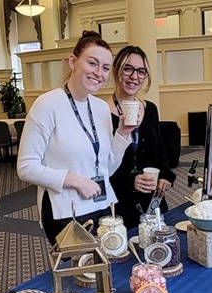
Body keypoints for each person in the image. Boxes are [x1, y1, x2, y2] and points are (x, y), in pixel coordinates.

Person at [17, 31, 141, 244]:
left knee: (107, 269)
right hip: (66, 209)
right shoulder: (47, 105)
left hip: (102, 205)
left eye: (104, 68)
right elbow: (26, 167)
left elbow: (106, 168)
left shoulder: (101, 107)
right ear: (73, 61)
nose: (98, 73)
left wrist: (122, 133)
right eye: (92, 63)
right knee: (83, 274)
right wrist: (75, 181)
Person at [107, 45, 176, 229]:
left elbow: (160, 153)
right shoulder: (102, 112)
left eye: (141, 71)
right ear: (116, 70)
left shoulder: (150, 109)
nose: (134, 76)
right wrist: (131, 180)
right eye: (128, 69)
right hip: (120, 204)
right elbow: (101, 167)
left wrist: (165, 176)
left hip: (152, 201)